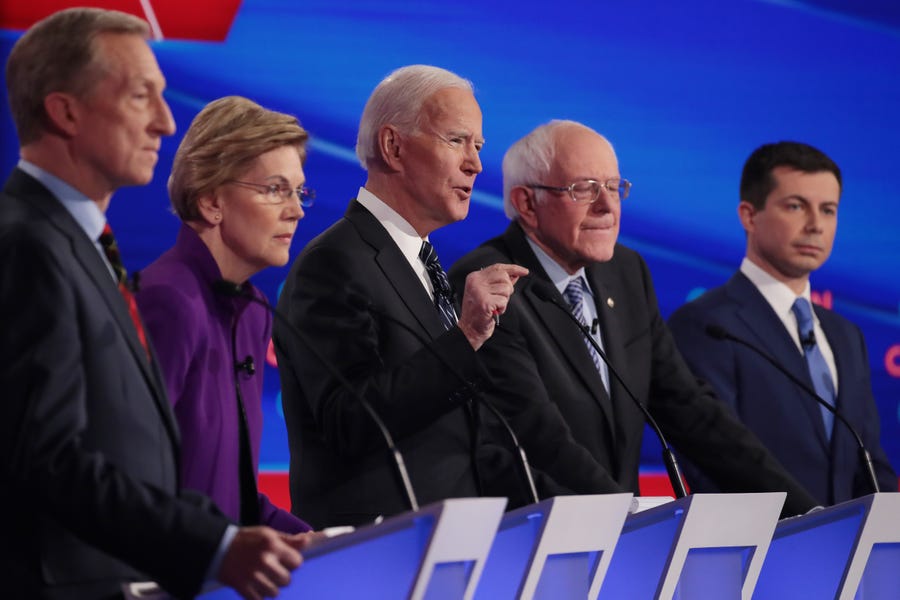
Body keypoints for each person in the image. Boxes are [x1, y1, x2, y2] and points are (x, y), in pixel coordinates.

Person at [0, 9, 308, 599]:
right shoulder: (26, 245)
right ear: (66, 111)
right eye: (143, 96)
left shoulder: (80, 245)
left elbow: (151, 459)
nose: (166, 123)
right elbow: (46, 457)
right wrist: (212, 545)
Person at [449, 120, 819, 517]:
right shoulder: (489, 285)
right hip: (534, 537)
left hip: (619, 540)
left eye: (613, 187)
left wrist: (801, 510)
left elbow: (688, 409)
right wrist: (629, 524)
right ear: (527, 203)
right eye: (585, 189)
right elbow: (539, 438)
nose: (608, 207)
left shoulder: (625, 272)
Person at [275, 65, 527, 529]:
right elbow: (352, 421)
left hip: (448, 542)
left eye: (478, 146)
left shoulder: (422, 261)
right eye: (457, 140)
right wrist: (466, 335)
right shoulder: (334, 263)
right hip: (377, 555)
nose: (475, 164)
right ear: (393, 146)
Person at [668, 141, 897, 504]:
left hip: (850, 553)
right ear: (749, 215)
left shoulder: (845, 335)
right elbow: (713, 462)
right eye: (796, 206)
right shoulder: (707, 325)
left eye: (828, 210)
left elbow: (869, 461)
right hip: (762, 550)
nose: (815, 226)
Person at [135, 96, 314, 533]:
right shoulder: (166, 301)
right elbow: (132, 486)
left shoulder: (251, 311)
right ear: (211, 200)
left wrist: (318, 544)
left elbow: (231, 498)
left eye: (299, 191)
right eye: (275, 189)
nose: (295, 210)